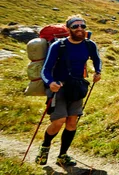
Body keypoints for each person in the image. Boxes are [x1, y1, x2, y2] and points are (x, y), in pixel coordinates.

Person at [35, 15, 102, 167]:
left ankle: (62, 156)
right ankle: (45, 147)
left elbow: (97, 59)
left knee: (72, 122)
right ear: (68, 29)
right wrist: (50, 83)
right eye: (75, 26)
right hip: (59, 87)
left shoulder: (89, 45)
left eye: (83, 26)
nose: (80, 29)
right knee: (59, 120)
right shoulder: (58, 46)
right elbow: (45, 70)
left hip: (77, 87)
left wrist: (98, 71)